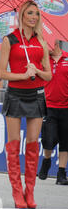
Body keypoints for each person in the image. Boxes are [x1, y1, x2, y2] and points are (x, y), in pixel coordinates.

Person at [0, 0, 52, 209]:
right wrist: (23, 74)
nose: (34, 17)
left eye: (37, 14)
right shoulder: (9, 40)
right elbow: (2, 73)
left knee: (32, 145)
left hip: (37, 96)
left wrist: (36, 71)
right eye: (30, 13)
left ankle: (30, 192)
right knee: (13, 146)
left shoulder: (42, 41)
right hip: (15, 96)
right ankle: (17, 192)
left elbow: (48, 74)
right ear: (22, 15)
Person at [38, 40, 68, 185]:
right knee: (48, 139)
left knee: (65, 141)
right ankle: (47, 160)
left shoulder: (67, 58)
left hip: (66, 107)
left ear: (55, 44)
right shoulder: (43, 62)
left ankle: (61, 174)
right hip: (49, 106)